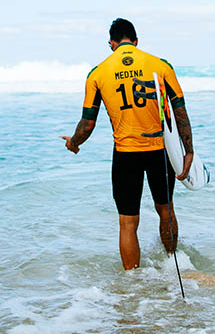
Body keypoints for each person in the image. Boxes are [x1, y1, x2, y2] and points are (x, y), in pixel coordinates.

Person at [62, 18, 194, 270]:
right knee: (165, 210)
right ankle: (173, 264)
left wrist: (74, 143)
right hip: (160, 151)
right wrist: (188, 151)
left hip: (126, 155)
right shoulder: (160, 65)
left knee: (127, 222)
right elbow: (180, 111)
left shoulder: (98, 73)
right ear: (136, 41)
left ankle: (133, 282)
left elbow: (87, 123)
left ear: (111, 43)